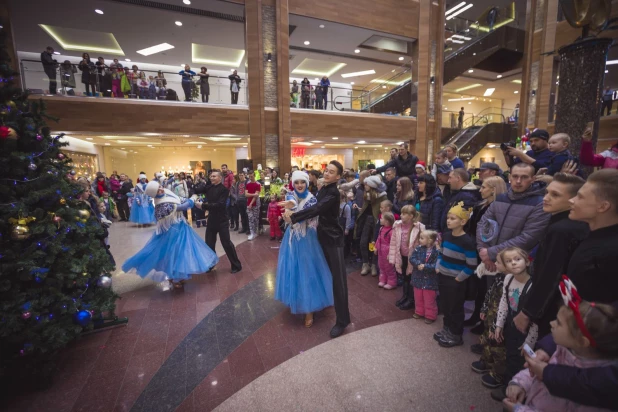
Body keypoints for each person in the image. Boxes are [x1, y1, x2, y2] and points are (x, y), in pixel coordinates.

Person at [504, 278, 618, 412]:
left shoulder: (594, 399)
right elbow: (539, 372)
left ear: (582, 341)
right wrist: (519, 383)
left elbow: (545, 371)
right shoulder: (564, 351)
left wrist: (519, 410)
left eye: (558, 322)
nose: (552, 323)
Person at [515, 173, 588, 338]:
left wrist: (528, 311)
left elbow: (550, 273)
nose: (546, 198)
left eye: (555, 195)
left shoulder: (562, 230)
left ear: (573, 199)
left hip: (554, 306)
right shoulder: (561, 223)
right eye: (547, 192)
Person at [286, 160, 351, 338]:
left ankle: (342, 321)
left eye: (331, 172)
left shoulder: (332, 193)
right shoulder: (323, 188)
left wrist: (294, 217)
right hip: (321, 237)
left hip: (333, 240)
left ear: (338, 177)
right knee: (325, 275)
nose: (327, 173)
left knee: (339, 282)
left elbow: (317, 208)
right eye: (327, 170)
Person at [122, 181, 219, 288]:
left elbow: (180, 200)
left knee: (182, 253)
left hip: (181, 226)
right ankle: (174, 278)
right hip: (172, 231)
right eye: (157, 190)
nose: (161, 189)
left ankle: (179, 276)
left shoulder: (167, 193)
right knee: (174, 253)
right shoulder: (161, 203)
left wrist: (190, 199)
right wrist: (192, 198)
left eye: (160, 187)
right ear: (154, 193)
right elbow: (182, 206)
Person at [275, 171, 335, 328]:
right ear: (293, 184)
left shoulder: (312, 199)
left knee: (308, 272)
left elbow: (305, 214)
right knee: (292, 270)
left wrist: (292, 212)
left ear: (307, 183)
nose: (299, 185)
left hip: (308, 239)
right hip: (292, 239)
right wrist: (289, 211)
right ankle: (297, 299)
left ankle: (309, 309)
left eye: (302, 182)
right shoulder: (290, 196)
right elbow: (290, 207)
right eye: (297, 182)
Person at [477, 163, 550, 272]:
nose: (518, 181)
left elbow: (528, 237)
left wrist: (491, 252)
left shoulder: (539, 203)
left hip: (517, 265)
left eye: (524, 177)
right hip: (492, 262)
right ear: (509, 177)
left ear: (533, 179)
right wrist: (483, 251)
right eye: (515, 176)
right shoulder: (501, 198)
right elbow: (483, 224)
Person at [491, 247, 539, 402]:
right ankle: (508, 386)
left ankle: (519, 392)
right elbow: (504, 303)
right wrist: (499, 324)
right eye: (508, 261)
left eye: (517, 259)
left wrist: (529, 342)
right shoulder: (508, 279)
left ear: (526, 261)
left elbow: (536, 317)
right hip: (511, 326)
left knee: (522, 362)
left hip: (527, 332)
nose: (513, 263)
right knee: (510, 356)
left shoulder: (533, 285)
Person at [566, 169, 618, 302]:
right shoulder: (589, 234)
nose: (571, 200)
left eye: (580, 197)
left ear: (603, 206)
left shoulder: (611, 252)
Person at [434, 201, 477, 347]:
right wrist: (438, 265)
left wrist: (459, 278)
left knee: (455, 307)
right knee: (445, 305)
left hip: (456, 281)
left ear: (463, 221)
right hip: (443, 276)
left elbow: (471, 264)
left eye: (453, 219)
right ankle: (447, 329)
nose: (448, 221)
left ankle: (456, 334)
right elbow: (441, 252)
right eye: (448, 218)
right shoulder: (447, 235)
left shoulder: (467, 241)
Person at [195, 171, 242, 273]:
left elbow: (220, 205)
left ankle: (236, 265)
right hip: (211, 219)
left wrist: (203, 206)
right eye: (210, 176)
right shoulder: (209, 187)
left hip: (222, 220)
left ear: (220, 178)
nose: (211, 178)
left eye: (214, 176)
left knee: (226, 243)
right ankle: (211, 264)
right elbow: (197, 190)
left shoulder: (224, 190)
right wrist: (198, 181)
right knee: (209, 243)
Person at [389, 205, 426, 309]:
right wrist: (392, 256)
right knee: (405, 277)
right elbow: (393, 242)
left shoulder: (419, 227)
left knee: (411, 278)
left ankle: (411, 299)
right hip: (402, 256)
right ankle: (405, 296)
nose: (401, 215)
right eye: (401, 213)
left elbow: (423, 244)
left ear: (411, 216)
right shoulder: (397, 226)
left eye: (404, 214)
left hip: (413, 258)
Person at [357, 175, 387, 276]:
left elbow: (384, 211)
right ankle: (365, 264)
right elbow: (366, 208)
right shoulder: (367, 195)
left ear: (372, 185)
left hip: (377, 222)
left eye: (366, 184)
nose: (364, 185)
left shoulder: (382, 196)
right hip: (366, 220)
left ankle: (374, 264)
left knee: (373, 243)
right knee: (363, 242)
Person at [410, 230, 440, 323]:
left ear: (430, 240)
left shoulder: (437, 251)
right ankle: (419, 312)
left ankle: (430, 315)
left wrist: (425, 266)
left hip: (430, 281)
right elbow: (412, 258)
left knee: (429, 299)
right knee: (418, 296)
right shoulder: (418, 248)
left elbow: (437, 265)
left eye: (422, 238)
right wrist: (418, 263)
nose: (419, 240)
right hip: (418, 278)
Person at [440, 168, 481, 233]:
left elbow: (463, 220)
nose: (448, 181)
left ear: (458, 178)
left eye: (450, 178)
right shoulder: (457, 193)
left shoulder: (467, 197)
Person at [374, 212, 396, 289]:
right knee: (381, 266)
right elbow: (378, 239)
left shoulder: (391, 231)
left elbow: (393, 243)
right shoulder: (381, 228)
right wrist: (376, 247)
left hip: (387, 251)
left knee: (389, 267)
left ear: (387, 221)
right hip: (380, 250)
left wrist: (390, 253)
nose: (380, 219)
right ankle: (383, 280)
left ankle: (391, 282)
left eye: (382, 218)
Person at [246, 171, 261, 240]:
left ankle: (255, 231)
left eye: (252, 176)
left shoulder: (258, 184)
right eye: (249, 176)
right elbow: (246, 194)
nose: (250, 178)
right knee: (250, 218)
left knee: (255, 218)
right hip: (248, 202)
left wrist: (251, 204)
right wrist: (253, 194)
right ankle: (252, 232)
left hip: (255, 203)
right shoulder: (248, 183)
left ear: (254, 176)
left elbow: (256, 196)